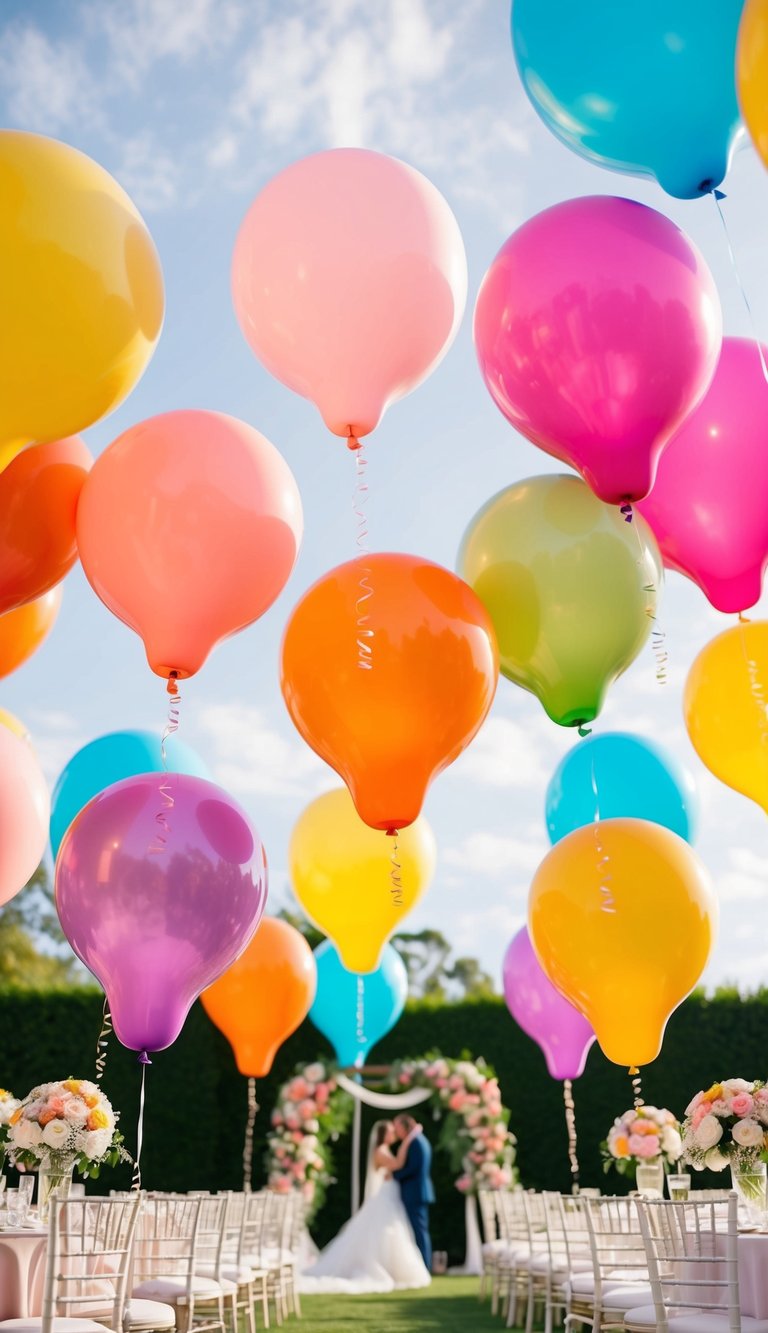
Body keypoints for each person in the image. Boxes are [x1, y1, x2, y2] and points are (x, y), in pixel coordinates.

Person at [299, 1119, 432, 1294]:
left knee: (393, 1234)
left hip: (391, 1196)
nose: (394, 1134)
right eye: (391, 1131)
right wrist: (408, 1141)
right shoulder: (380, 1151)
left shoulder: (386, 1150)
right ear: (383, 1134)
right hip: (386, 1197)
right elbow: (398, 1164)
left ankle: (396, 1269)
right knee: (385, 1234)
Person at [391, 1112, 435, 1271]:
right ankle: (423, 1265)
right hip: (418, 1192)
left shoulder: (416, 1142)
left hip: (415, 1193)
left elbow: (413, 1168)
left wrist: (394, 1175)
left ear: (404, 1126)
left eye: (397, 1128)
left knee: (419, 1231)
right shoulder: (418, 1140)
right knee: (419, 1230)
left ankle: (424, 1266)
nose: (396, 1132)